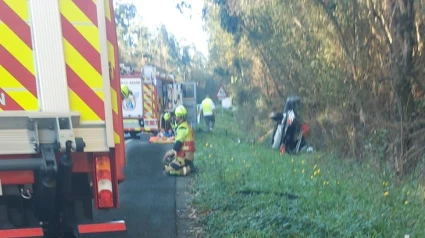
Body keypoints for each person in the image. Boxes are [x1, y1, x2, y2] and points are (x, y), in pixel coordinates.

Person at [162, 105, 196, 176]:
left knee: (167, 170)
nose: (175, 117)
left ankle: (188, 168)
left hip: (185, 157)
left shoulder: (182, 128)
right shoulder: (186, 125)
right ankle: (188, 166)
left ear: (180, 117)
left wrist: (169, 153)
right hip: (186, 155)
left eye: (176, 116)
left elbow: (177, 145)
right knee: (169, 163)